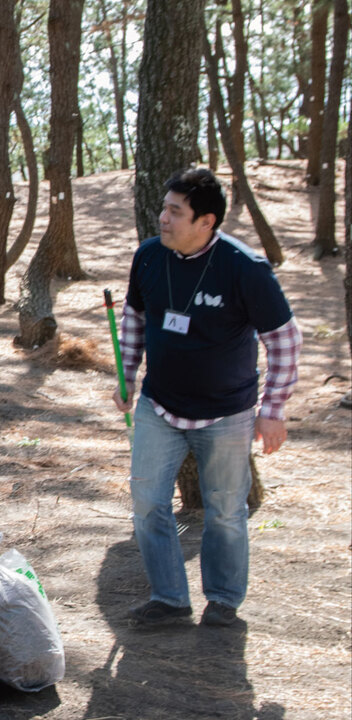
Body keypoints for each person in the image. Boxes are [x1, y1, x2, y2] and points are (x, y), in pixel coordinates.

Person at [114, 168, 301, 628]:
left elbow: (285, 340)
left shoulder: (244, 268)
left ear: (206, 222)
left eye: (175, 212)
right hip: (160, 405)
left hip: (227, 414)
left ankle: (222, 599)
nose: (163, 218)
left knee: (225, 510)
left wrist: (272, 411)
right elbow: (135, 318)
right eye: (164, 208)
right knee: (147, 501)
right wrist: (128, 374)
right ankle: (170, 598)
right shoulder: (149, 257)